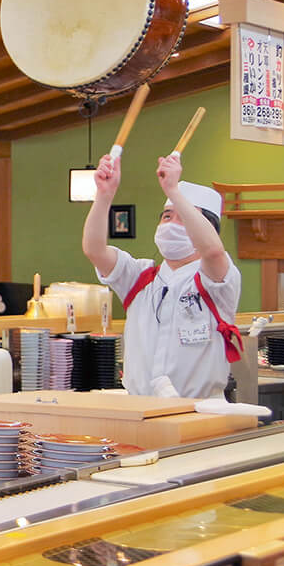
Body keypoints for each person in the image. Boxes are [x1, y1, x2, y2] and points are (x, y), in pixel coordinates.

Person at [82, 152, 242, 399]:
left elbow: (212, 251)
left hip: (199, 411)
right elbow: (94, 249)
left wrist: (174, 193)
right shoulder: (140, 276)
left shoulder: (217, 279)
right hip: (140, 408)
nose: (171, 224)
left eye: (183, 217)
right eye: (167, 216)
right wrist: (104, 195)